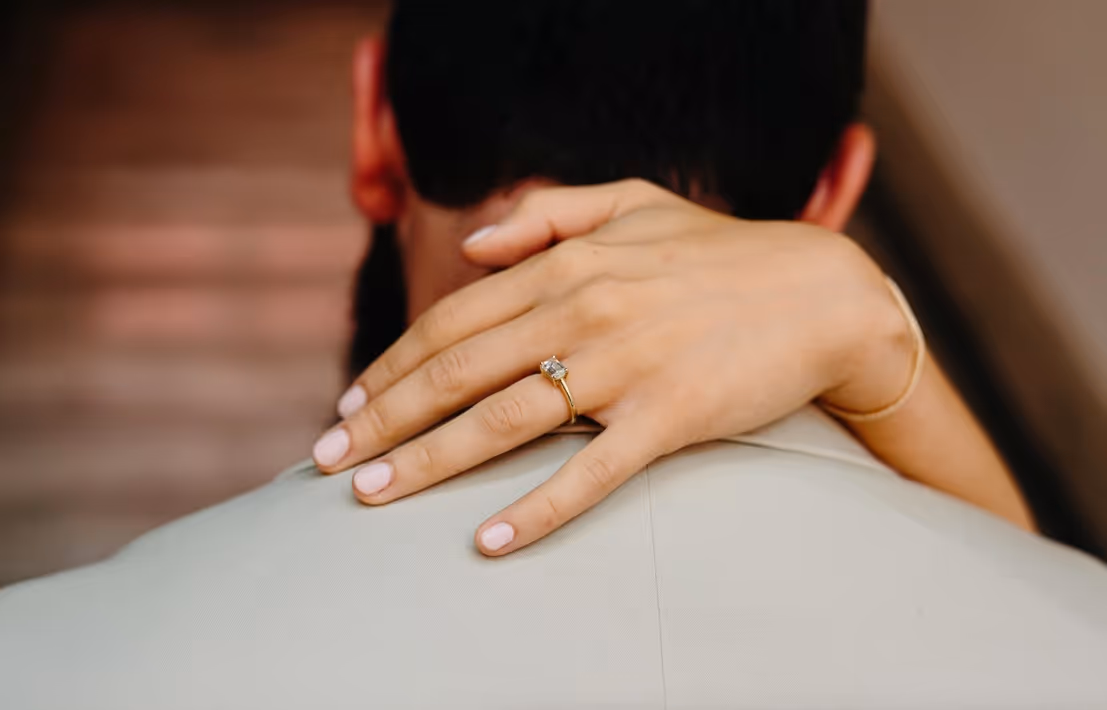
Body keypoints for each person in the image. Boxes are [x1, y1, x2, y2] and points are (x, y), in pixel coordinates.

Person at [2, 2, 1106, 708]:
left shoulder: (38, 653)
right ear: (839, 188)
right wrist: (879, 332)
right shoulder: (1072, 643)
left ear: (372, 129)